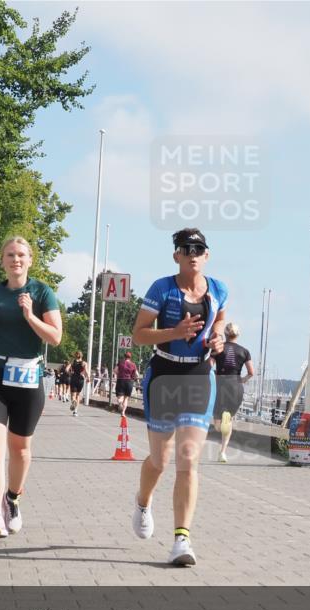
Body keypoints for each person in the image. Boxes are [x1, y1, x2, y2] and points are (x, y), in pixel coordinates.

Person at [131, 227, 227, 567]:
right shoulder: (162, 288)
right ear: (176, 255)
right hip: (164, 373)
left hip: (199, 375)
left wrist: (217, 338)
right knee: (160, 461)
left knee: (188, 458)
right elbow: (138, 335)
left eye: (199, 248)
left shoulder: (217, 289)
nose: (193, 253)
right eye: (186, 249)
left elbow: (221, 320)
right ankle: (143, 502)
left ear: (207, 255)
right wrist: (174, 332)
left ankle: (181, 540)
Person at [0, 235, 62, 540]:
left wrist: (29, 315)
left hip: (28, 377)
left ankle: (12, 498)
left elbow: (55, 337)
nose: (15, 259)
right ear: (2, 261)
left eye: (21, 254)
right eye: (10, 254)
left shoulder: (41, 292)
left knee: (20, 449)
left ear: (30, 260)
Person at [211, 322, 254, 463]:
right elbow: (251, 372)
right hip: (235, 384)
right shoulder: (245, 351)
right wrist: (242, 380)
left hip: (220, 383)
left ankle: (221, 422)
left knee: (217, 423)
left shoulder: (218, 348)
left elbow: (209, 366)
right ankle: (222, 452)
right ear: (238, 335)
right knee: (229, 420)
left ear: (225, 333)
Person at [114, 351, 140, 417]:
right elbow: (137, 374)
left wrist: (119, 374)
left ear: (124, 357)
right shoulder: (133, 364)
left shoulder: (120, 363)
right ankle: (123, 413)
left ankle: (120, 403)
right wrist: (134, 378)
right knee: (126, 398)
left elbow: (115, 370)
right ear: (130, 357)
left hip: (121, 380)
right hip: (129, 382)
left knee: (120, 396)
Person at [68, 351, 88, 416]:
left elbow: (66, 369)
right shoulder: (84, 363)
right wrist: (88, 378)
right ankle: (75, 411)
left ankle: (74, 401)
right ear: (81, 356)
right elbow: (86, 371)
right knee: (78, 395)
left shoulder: (72, 362)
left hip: (74, 378)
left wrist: (70, 373)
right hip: (80, 379)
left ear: (75, 356)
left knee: (73, 395)